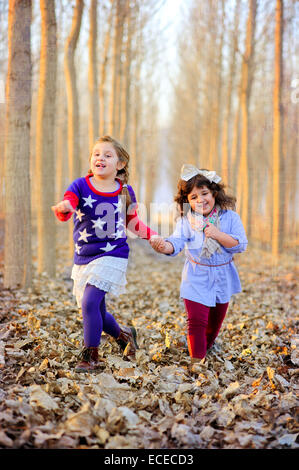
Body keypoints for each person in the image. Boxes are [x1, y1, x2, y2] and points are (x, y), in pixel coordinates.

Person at [52, 135, 157, 372]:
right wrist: (64, 208)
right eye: (96, 154)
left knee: (89, 302)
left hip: (113, 254)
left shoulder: (125, 191)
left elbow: (133, 223)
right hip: (85, 256)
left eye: (107, 155)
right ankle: (124, 335)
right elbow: (68, 205)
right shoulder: (80, 185)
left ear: (119, 164)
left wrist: (153, 236)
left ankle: (91, 357)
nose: (100, 158)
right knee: (96, 308)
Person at [150, 164, 247, 363]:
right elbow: (175, 243)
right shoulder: (187, 222)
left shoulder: (230, 218)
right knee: (196, 322)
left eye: (204, 194)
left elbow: (240, 245)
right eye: (193, 197)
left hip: (222, 276)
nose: (200, 200)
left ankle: (206, 345)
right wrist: (163, 245)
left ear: (214, 193)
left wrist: (218, 234)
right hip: (196, 275)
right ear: (186, 202)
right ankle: (197, 364)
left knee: (213, 326)